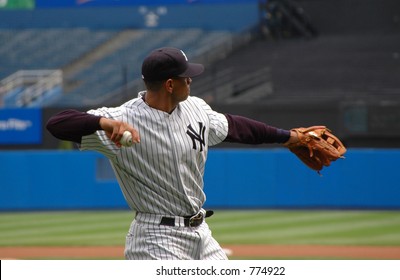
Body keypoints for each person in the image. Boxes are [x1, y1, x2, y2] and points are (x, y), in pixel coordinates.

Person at [46, 47, 298, 260]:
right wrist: (102, 123)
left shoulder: (195, 107)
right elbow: (57, 123)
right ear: (169, 84)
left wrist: (288, 137)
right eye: (185, 76)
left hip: (201, 234)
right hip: (155, 238)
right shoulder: (122, 119)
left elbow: (235, 127)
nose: (190, 80)